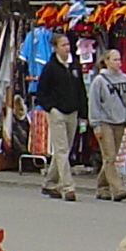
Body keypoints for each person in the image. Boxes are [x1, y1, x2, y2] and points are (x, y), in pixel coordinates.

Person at [35, 49, 87, 201]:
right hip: (57, 112)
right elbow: (41, 91)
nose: (66, 48)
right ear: (55, 47)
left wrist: (83, 111)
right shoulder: (50, 67)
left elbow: (81, 89)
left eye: (67, 44)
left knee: (64, 150)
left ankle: (49, 183)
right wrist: (50, 107)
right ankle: (68, 187)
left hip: (73, 112)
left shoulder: (74, 65)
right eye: (63, 45)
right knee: (61, 149)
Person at [85, 48, 126, 200]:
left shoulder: (125, 80)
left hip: (119, 121)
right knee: (110, 156)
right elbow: (94, 103)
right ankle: (118, 188)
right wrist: (95, 124)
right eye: (114, 60)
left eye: (119, 60)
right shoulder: (99, 81)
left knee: (110, 158)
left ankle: (102, 187)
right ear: (106, 62)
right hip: (104, 121)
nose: (118, 63)